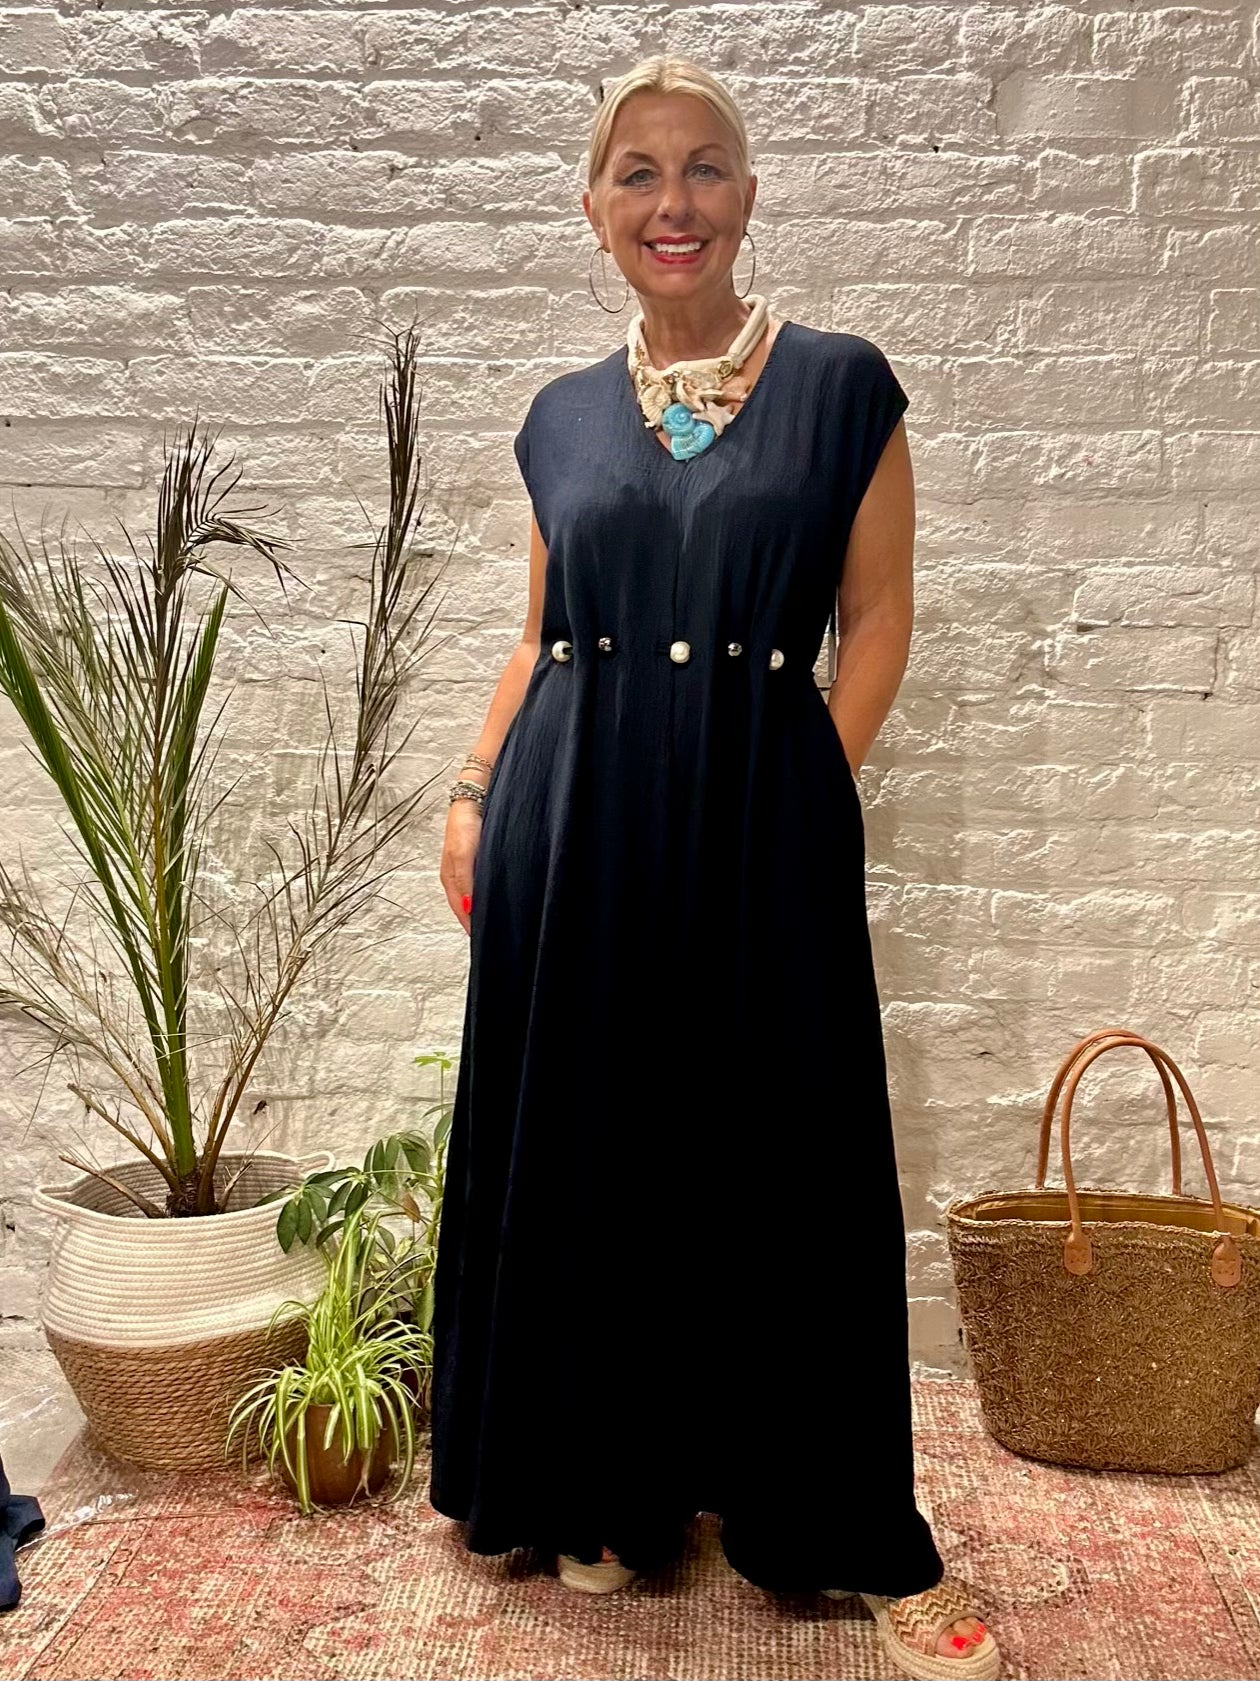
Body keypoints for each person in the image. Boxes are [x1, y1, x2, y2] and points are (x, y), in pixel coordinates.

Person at [429, 54, 1001, 1681]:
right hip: (573, 814)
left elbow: (876, 618)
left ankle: (839, 1522)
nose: (670, 201)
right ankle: (608, 1489)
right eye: (638, 173)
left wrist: (805, 783)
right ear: (593, 209)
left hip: (765, 817)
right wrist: (473, 791)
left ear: (747, 195)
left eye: (702, 168)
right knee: (599, 1140)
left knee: (788, 1150)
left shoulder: (841, 387)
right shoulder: (559, 419)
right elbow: (540, 633)